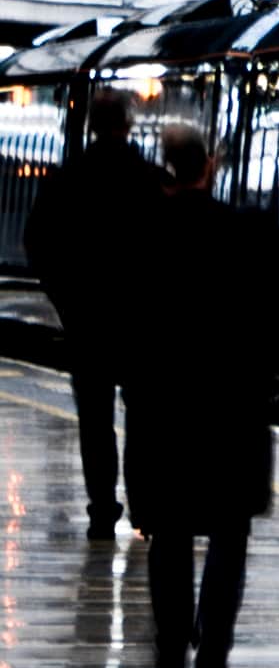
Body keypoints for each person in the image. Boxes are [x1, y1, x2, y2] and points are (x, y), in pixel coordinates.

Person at [121, 119, 279, 668]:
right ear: (211, 166)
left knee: (169, 530)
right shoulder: (252, 233)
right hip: (235, 407)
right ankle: (215, 653)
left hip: (162, 408)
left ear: (165, 169)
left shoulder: (141, 235)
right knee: (230, 530)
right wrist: (273, 366)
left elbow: (121, 323)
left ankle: (172, 646)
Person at [29, 95, 165, 537]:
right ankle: (144, 508)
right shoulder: (153, 182)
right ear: (128, 125)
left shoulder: (68, 179)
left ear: (90, 126)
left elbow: (38, 242)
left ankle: (102, 508)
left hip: (86, 320)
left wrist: (64, 298)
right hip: (142, 320)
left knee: (95, 419)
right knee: (143, 417)